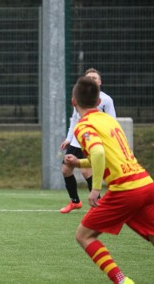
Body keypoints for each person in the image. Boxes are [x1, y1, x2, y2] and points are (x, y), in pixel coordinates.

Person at [64, 76, 153, 284]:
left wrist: (95, 189)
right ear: (98, 102)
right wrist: (79, 164)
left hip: (125, 190)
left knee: (83, 235)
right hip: (145, 183)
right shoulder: (109, 120)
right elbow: (106, 155)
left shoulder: (83, 125)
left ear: (73, 102)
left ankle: (122, 281)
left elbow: (97, 153)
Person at [59, 68, 116, 214]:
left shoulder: (106, 100)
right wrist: (68, 138)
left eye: (94, 78)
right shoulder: (80, 99)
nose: (91, 80)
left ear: (100, 82)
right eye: (88, 78)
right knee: (66, 169)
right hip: (77, 140)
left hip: (92, 140)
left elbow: (111, 122)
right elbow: (74, 120)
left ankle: (99, 203)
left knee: (86, 172)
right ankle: (75, 202)